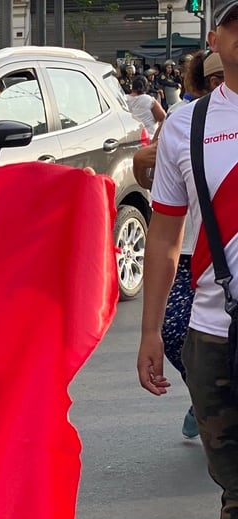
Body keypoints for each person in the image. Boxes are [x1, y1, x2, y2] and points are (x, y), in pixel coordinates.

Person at [137, 0, 238, 519]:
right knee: (236, 492)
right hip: (214, 337)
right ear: (218, 36)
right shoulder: (187, 125)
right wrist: (149, 331)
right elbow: (165, 236)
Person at [133, 49, 225, 440]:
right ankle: (203, 391)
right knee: (174, 332)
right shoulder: (182, 121)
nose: (221, 84)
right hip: (189, 253)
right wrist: (140, 161)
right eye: (214, 78)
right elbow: (158, 186)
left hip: (217, 254)